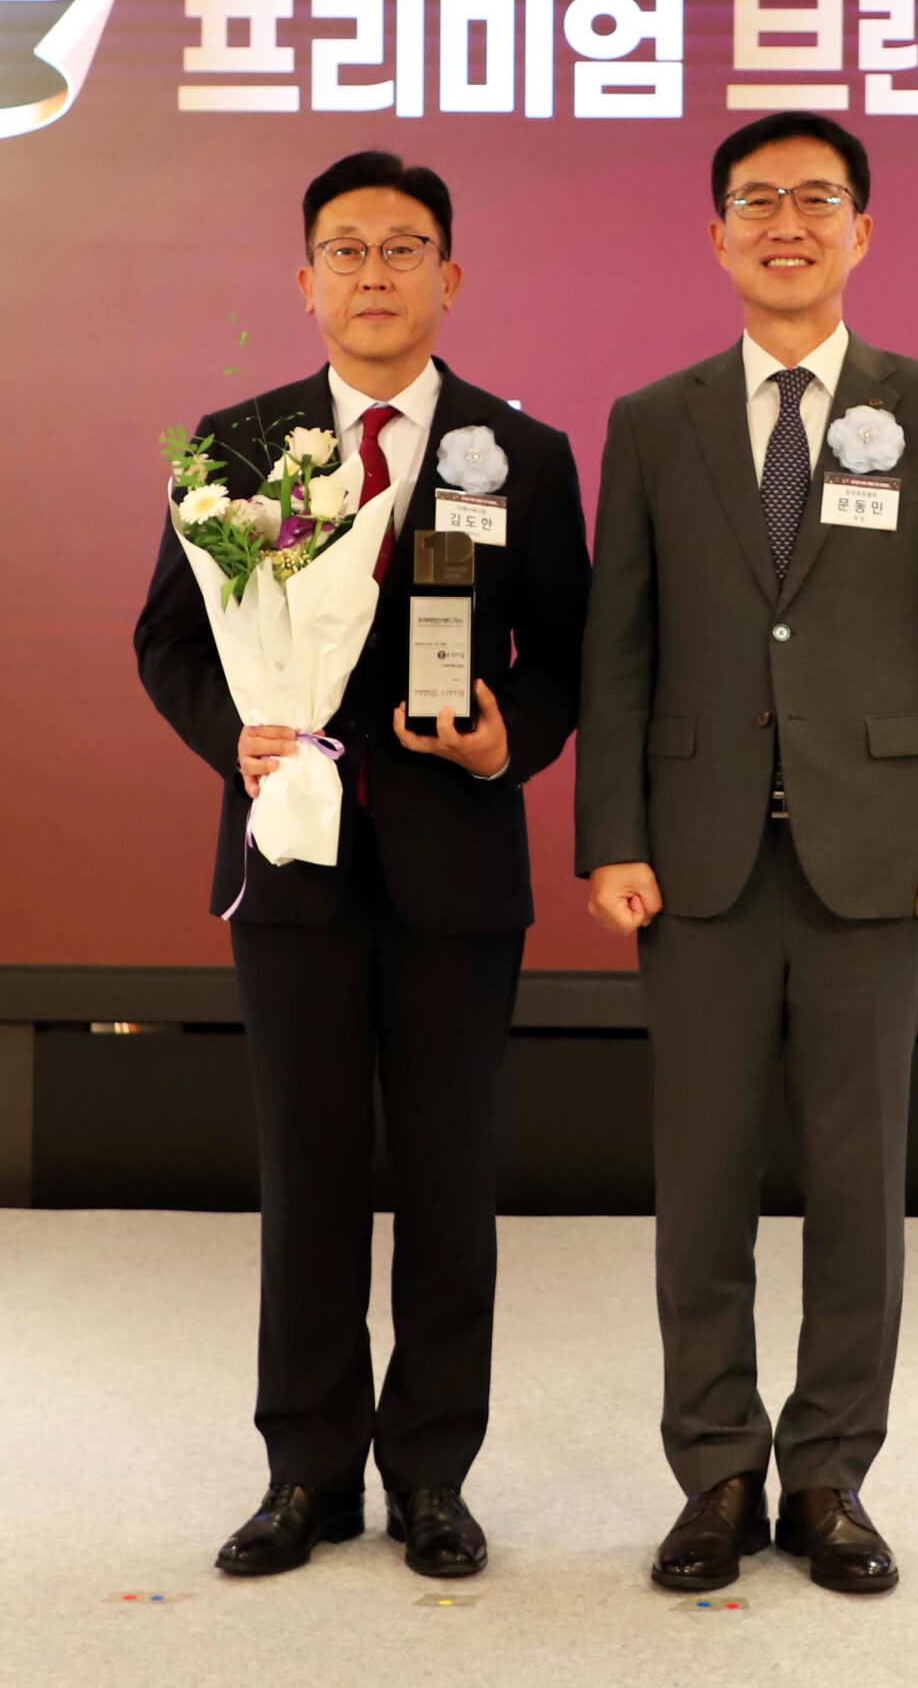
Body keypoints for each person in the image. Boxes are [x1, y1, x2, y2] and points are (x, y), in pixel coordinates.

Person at [135, 150, 590, 1581]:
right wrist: (234, 738)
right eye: (347, 249)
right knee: (309, 1175)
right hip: (294, 867)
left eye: (403, 249)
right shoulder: (237, 446)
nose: (374, 273)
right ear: (306, 279)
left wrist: (510, 741)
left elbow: (569, 653)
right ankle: (306, 1472)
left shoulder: (523, 452)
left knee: (450, 1182)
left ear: (450, 277)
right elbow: (168, 638)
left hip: (461, 871)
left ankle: (434, 1476)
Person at [576, 112, 918, 1595]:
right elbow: (618, 651)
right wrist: (612, 833)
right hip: (694, 866)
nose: (786, 223)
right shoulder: (654, 420)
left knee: (857, 1187)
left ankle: (830, 1476)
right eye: (756, 200)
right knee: (699, 1188)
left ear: (861, 231)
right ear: (716, 236)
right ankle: (714, 1470)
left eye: (816, 199)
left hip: (875, 860)